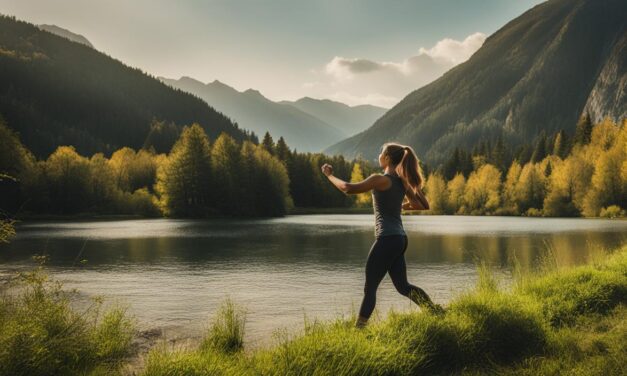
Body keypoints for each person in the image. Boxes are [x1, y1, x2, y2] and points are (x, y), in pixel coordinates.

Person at [321, 142, 443, 328]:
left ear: (386, 157)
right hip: (400, 239)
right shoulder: (402, 182)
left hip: (387, 239)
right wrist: (401, 203)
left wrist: (329, 175)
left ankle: (359, 330)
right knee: (403, 286)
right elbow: (422, 205)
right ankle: (435, 311)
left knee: (370, 288)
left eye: (381, 152)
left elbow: (347, 188)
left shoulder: (380, 179)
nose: (379, 155)